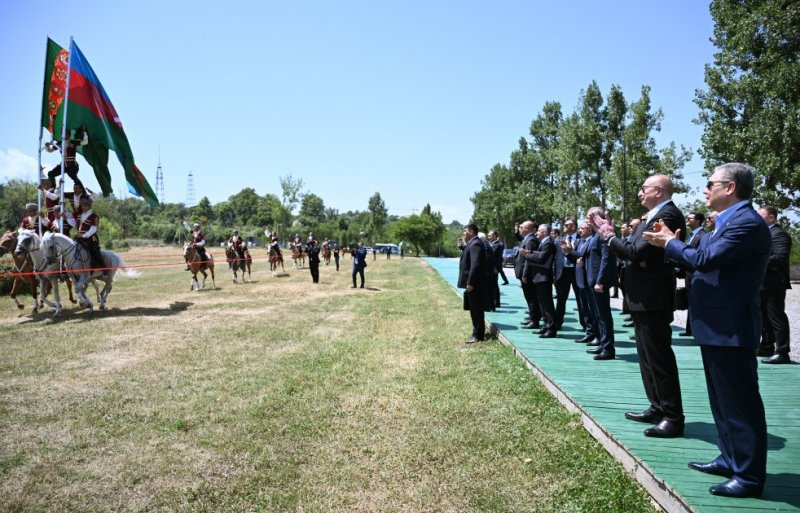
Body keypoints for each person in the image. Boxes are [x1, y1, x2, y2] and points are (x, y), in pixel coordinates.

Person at [643, 162, 769, 498]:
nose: (705, 189)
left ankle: (749, 477)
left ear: (730, 188)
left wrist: (670, 242)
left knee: (740, 404)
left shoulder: (745, 223)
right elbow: (701, 259)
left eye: (710, 183)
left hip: (732, 327)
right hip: (716, 326)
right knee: (722, 401)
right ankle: (730, 458)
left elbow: (704, 260)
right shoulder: (727, 224)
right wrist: (670, 246)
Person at [592, 173, 686, 438]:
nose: (639, 193)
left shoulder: (666, 215)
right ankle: (657, 406)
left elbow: (636, 252)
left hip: (653, 297)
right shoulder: (651, 216)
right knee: (647, 357)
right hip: (642, 296)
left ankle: (673, 416)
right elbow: (632, 246)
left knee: (659, 358)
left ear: (658, 191)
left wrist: (609, 237)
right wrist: (612, 238)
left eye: (643, 188)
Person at [563, 209, 617, 359]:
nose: (586, 221)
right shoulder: (594, 236)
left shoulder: (603, 233)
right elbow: (583, 255)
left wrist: (600, 281)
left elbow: (606, 259)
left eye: (589, 218)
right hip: (591, 282)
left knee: (603, 315)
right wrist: (570, 252)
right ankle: (602, 344)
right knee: (597, 315)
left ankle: (608, 348)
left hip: (598, 282)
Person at [757, 205, 793, 364]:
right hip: (763, 283)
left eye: (761, 216)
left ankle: (783, 352)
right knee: (764, 317)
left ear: (771, 217)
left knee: (776, 317)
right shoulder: (765, 234)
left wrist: (755, 260)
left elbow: (780, 257)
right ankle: (766, 346)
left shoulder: (779, 234)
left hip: (774, 283)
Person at [519, 224, 557, 338]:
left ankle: (551, 329)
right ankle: (545, 326)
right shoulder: (543, 242)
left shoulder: (548, 243)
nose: (537, 233)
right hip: (539, 277)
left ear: (545, 232)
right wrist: (531, 253)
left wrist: (527, 254)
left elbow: (542, 258)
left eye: (539, 231)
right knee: (542, 304)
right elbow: (538, 255)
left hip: (544, 278)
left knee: (547, 305)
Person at [457, 223, 490, 343]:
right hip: (473, 283)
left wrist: (470, 282)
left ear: (471, 231)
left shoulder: (476, 244)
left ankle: (478, 335)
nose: (464, 233)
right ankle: (476, 332)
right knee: (473, 309)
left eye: (465, 231)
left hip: (475, 284)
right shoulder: (472, 243)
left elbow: (475, 265)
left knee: (476, 309)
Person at [678, 212, 707, 336]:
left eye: (690, 218)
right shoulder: (691, 235)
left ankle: (697, 330)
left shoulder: (703, 235)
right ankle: (690, 329)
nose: (687, 220)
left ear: (698, 221)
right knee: (691, 301)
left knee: (697, 302)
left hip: (696, 274)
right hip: (688, 273)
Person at [66, 196, 106, 276]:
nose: (83, 207)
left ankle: (103, 269)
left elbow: (93, 229)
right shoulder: (81, 215)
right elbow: (75, 225)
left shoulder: (94, 216)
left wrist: (84, 236)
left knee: (94, 251)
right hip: (79, 237)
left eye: (85, 206)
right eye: (82, 205)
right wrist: (67, 218)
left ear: (89, 206)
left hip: (90, 238)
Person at [553, 218, 581, 330]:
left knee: (581, 301)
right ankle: (557, 323)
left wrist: (571, 251)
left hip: (576, 272)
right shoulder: (559, 240)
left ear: (573, 227)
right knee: (560, 299)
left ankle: (586, 326)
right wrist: (554, 274)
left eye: (566, 225)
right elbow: (555, 259)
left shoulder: (581, 239)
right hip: (562, 272)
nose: (563, 226)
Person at [515, 221, 542, 329]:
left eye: (521, 227)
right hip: (524, 273)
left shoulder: (531, 240)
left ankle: (534, 321)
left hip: (527, 274)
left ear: (527, 228)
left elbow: (528, 259)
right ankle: (532, 318)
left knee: (531, 298)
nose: (519, 229)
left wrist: (525, 274)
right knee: (529, 297)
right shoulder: (527, 238)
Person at [488, 230, 506, 307]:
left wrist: (495, 268)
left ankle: (496, 302)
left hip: (494, 268)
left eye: (490, 235)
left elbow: (495, 258)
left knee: (494, 285)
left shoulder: (497, 245)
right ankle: (494, 301)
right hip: (492, 268)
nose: (488, 237)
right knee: (492, 285)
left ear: (495, 236)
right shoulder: (492, 244)